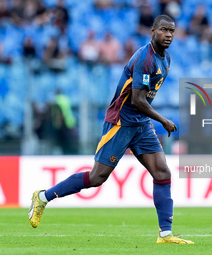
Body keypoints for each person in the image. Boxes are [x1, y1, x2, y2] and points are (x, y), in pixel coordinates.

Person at [28, 14, 194, 245]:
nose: (168, 35)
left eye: (172, 31)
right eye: (164, 30)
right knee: (97, 177)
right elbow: (137, 99)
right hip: (121, 122)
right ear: (153, 31)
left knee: (162, 173)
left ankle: (165, 234)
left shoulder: (165, 59)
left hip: (140, 124)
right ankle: (43, 197)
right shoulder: (144, 59)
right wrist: (163, 120)